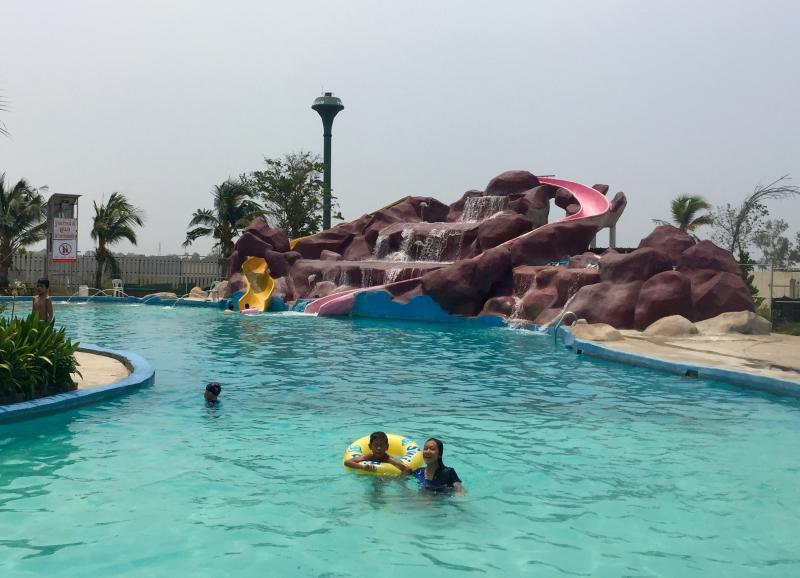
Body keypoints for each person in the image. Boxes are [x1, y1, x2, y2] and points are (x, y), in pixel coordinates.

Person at [344, 431, 412, 474]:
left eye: (381, 445)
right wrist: (363, 467)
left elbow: (407, 469)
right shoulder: (369, 457)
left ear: (387, 447)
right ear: (370, 446)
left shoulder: (389, 459)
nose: (378, 448)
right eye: (376, 445)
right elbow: (347, 462)